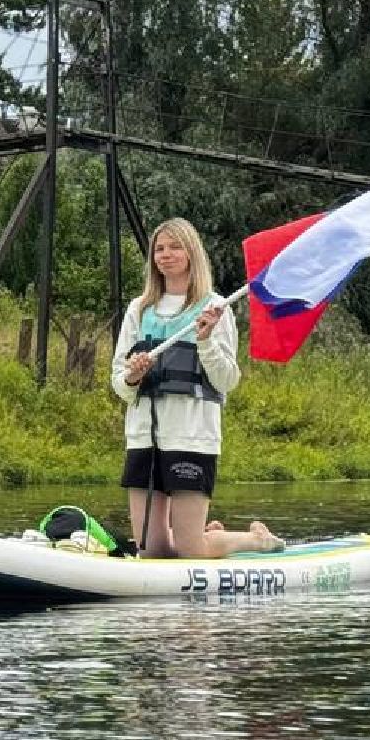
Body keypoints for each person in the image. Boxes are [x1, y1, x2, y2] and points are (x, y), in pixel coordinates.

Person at [111, 218, 282, 558]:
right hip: (144, 438)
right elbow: (119, 382)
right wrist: (133, 376)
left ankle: (253, 540)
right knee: (151, 551)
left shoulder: (214, 308)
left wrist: (204, 342)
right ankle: (209, 533)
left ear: (191, 253)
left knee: (191, 550)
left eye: (175, 247)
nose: (166, 255)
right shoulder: (139, 308)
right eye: (159, 249)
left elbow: (227, 380)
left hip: (192, 438)